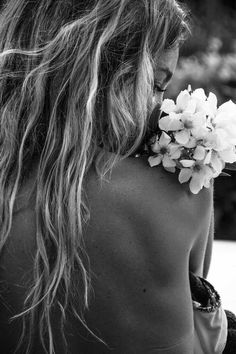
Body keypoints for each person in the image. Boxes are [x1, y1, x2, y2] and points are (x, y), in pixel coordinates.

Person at [0, 0, 229, 353]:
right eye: (154, 85)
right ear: (100, 75)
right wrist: (201, 161)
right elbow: (200, 322)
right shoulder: (174, 187)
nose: (158, 109)